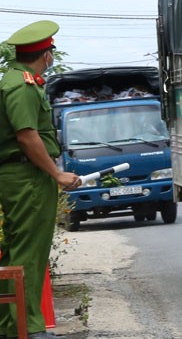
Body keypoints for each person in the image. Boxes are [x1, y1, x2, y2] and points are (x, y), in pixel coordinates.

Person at [1, 20, 82, 339]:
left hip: (24, 174)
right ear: (46, 55)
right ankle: (30, 326)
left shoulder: (19, 80)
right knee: (29, 253)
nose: (51, 56)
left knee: (17, 250)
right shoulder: (21, 85)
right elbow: (26, 136)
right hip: (26, 176)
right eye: (51, 52)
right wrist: (57, 173)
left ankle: (12, 325)